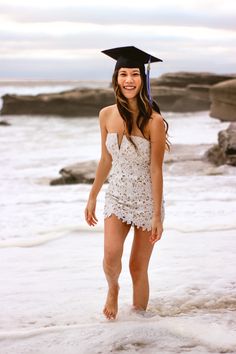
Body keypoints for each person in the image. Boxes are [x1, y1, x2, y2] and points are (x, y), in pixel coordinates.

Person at [84, 46, 169, 320]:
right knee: (110, 256)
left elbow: (156, 170)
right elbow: (105, 160)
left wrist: (156, 215)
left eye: (135, 74)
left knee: (137, 267)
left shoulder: (154, 122)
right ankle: (112, 290)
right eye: (124, 74)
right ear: (116, 78)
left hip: (146, 201)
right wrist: (93, 195)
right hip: (117, 196)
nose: (129, 79)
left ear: (143, 79)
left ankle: (139, 325)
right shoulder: (105, 115)